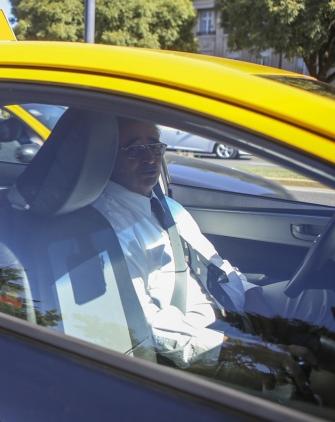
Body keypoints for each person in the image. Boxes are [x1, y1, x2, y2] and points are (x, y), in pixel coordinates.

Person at [91, 117, 334, 397]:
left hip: (236, 314)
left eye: (155, 146)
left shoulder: (167, 205)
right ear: (108, 155)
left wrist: (255, 300)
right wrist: (245, 349)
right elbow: (150, 326)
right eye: (134, 149)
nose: (150, 158)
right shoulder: (110, 227)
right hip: (206, 339)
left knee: (325, 300)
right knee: (314, 383)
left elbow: (215, 264)